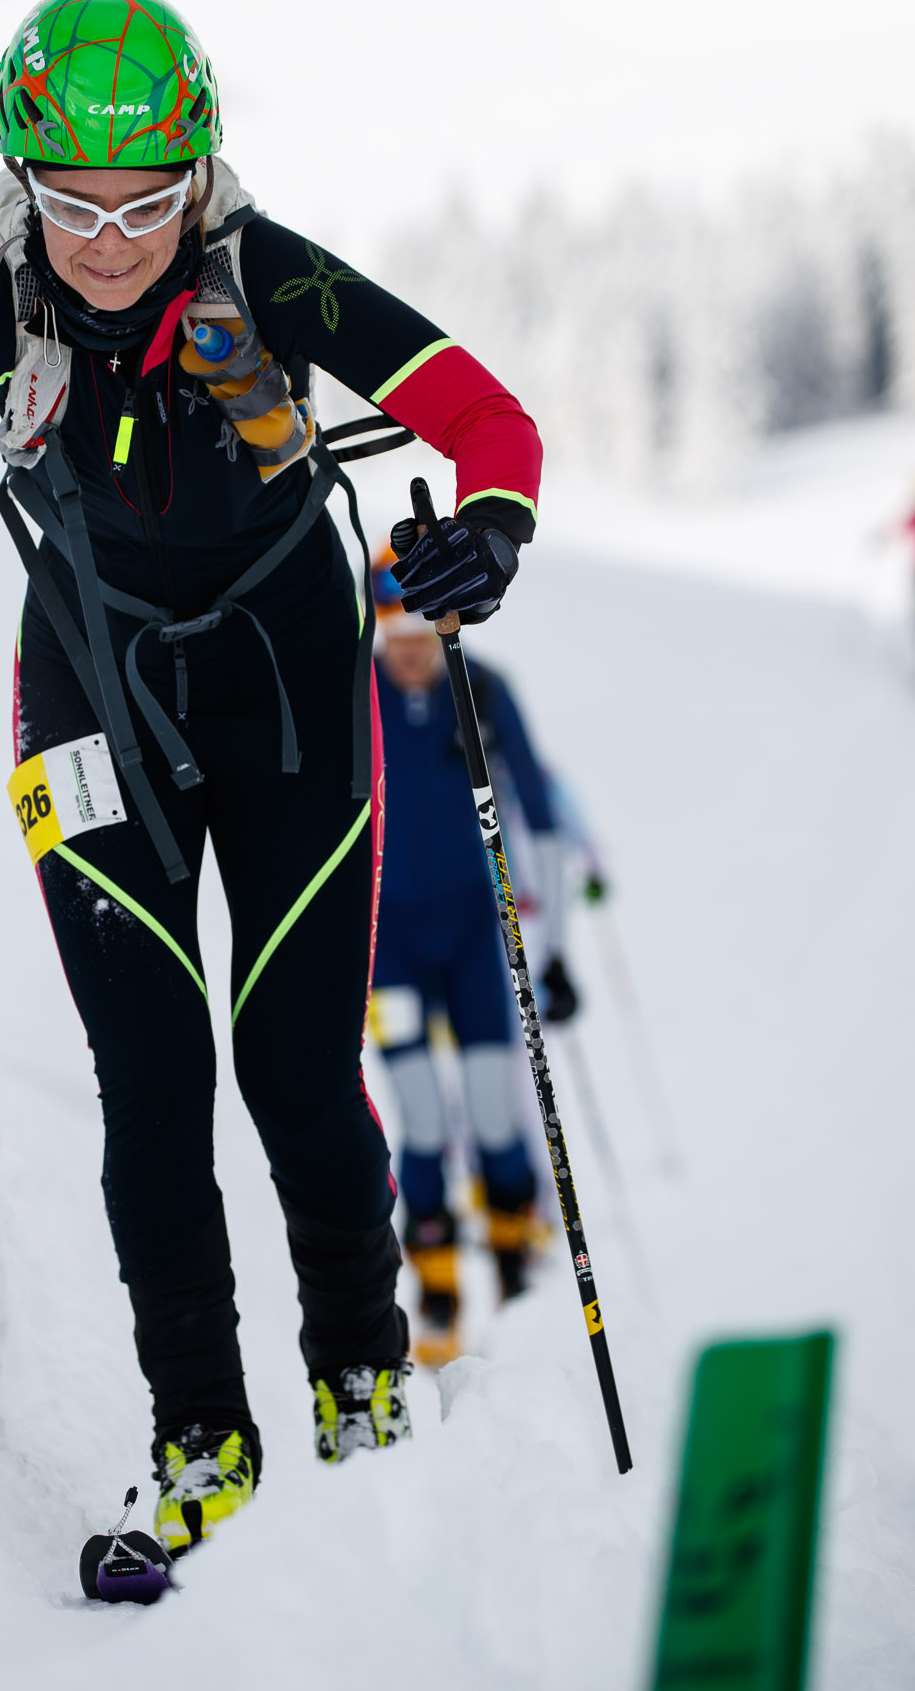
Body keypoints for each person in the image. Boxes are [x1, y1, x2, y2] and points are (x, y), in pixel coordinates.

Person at [0, 0, 542, 1551]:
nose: (106, 239)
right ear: (23, 177)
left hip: (292, 700)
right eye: (73, 202)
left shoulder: (264, 275)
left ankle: (364, 1388)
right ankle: (199, 1442)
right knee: (150, 1087)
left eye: (146, 200)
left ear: (200, 168)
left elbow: (486, 417)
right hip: (88, 706)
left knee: (295, 1068)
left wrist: (492, 532)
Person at [369, 550, 579, 1365]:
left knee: (495, 1108)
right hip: (387, 947)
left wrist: (555, 953)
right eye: (395, 636)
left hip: (469, 938)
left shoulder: (481, 691)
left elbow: (544, 814)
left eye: (423, 631)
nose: (412, 650)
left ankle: (515, 1270)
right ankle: (438, 1292)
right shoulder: (358, 694)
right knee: (420, 1113)